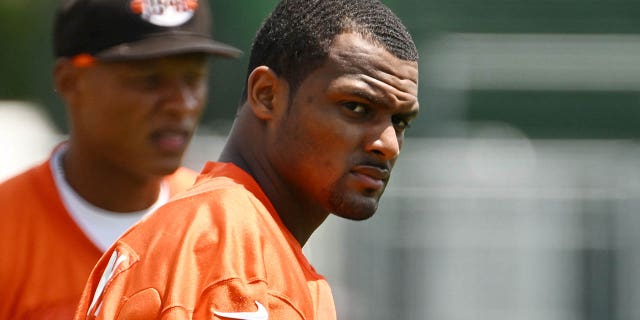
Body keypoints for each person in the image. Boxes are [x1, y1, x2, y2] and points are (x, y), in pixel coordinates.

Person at [74, 0, 419, 319]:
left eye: (400, 122)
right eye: (356, 107)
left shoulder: (231, 237)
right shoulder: (227, 248)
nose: (388, 144)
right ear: (267, 95)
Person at [0, 0, 240, 318]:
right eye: (150, 80)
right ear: (70, 81)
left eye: (192, 78)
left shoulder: (224, 227)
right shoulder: (8, 232)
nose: (181, 104)